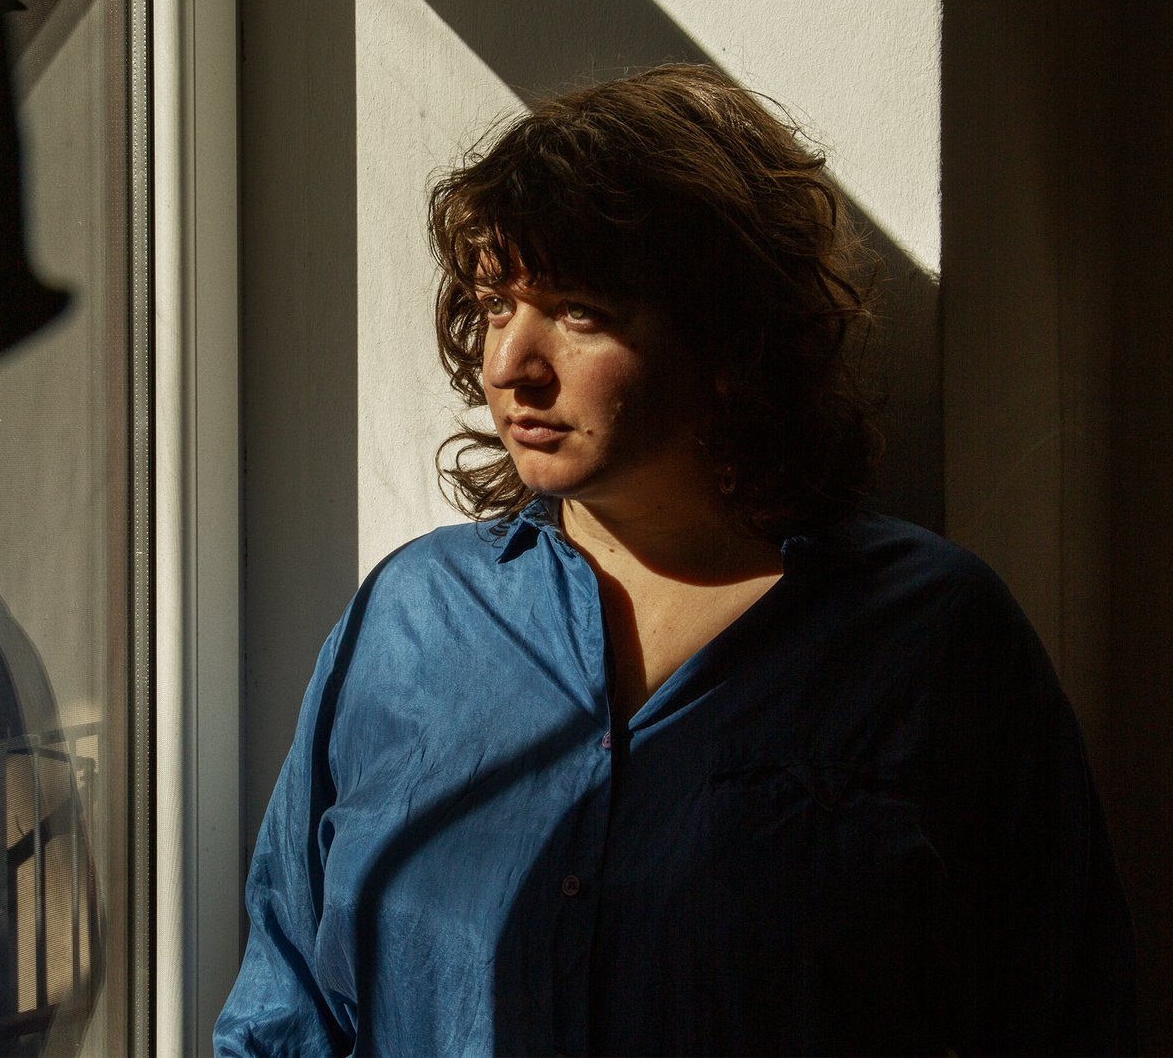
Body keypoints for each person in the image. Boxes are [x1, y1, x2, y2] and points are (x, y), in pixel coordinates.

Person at [215, 65, 1135, 1056]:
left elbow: (1064, 1010)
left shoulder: (926, 638)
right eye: (493, 305)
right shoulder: (409, 621)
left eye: (577, 310)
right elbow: (286, 1008)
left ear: (726, 335)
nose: (510, 366)